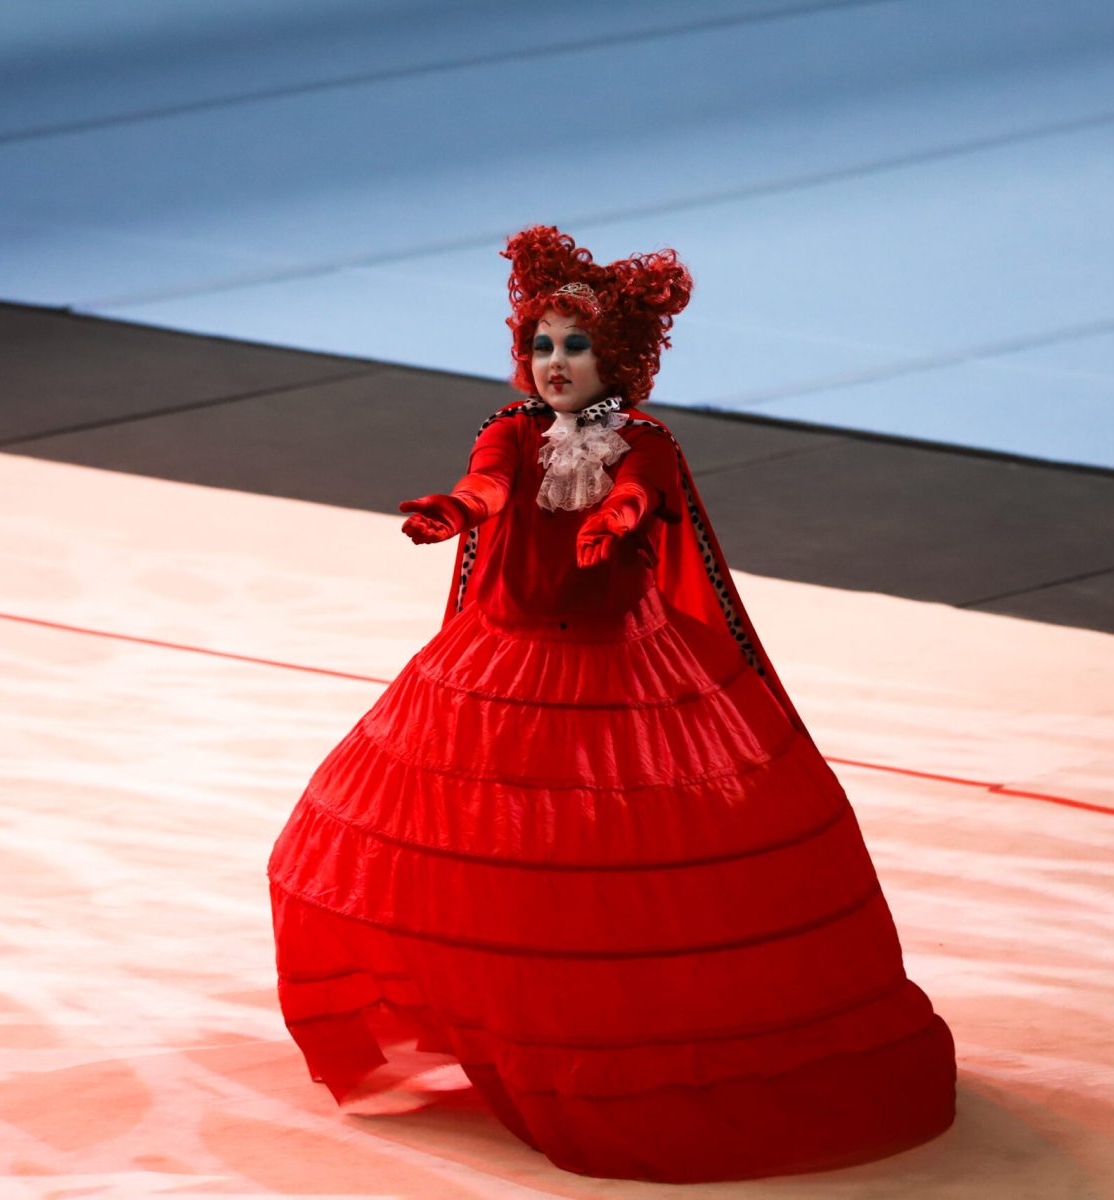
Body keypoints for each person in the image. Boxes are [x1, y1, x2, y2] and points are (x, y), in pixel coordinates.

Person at [267, 225, 956, 1182]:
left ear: (618, 359)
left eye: (576, 345)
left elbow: (640, 493)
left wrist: (617, 520)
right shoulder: (511, 431)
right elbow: (488, 483)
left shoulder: (648, 444)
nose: (554, 362)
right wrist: (455, 511)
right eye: (541, 343)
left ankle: (607, 1031)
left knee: (617, 848)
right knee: (466, 839)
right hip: (504, 665)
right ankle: (494, 1006)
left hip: (620, 671)